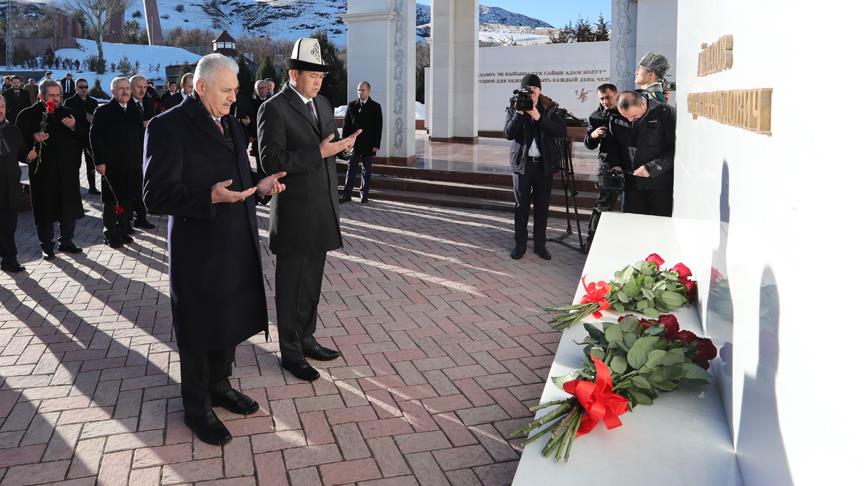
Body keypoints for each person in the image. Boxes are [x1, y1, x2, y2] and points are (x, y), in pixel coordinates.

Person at [143, 53, 287, 446]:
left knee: (228, 319)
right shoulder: (166, 126)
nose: (232, 97)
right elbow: (154, 196)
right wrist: (207, 196)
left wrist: (260, 185)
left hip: (235, 241)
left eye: (236, 90)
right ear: (200, 86)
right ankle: (196, 407)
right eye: (226, 90)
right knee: (198, 327)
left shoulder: (231, 125)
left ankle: (220, 386)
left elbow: (240, 175)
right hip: (198, 249)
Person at [258, 37, 359, 382]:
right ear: (293, 74)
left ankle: (306, 337)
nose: (319, 81)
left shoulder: (326, 104)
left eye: (321, 76)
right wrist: (321, 153)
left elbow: (327, 149)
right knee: (291, 285)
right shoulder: (273, 108)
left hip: (322, 208)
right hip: (294, 213)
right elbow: (271, 161)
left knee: (312, 282)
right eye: (312, 75)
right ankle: (290, 352)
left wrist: (343, 150)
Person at [16, 80, 86, 260]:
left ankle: (67, 241)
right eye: (51, 96)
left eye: (58, 96)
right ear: (41, 96)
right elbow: (18, 144)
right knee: (45, 208)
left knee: (67, 206)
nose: (55, 99)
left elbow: (85, 137)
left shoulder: (67, 113)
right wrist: (33, 138)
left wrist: (74, 126)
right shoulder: (27, 115)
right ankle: (46, 245)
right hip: (43, 172)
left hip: (67, 170)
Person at [503, 73, 567, 261]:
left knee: (542, 207)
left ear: (540, 91)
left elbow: (561, 131)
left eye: (535, 89)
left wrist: (538, 117)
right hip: (522, 165)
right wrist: (518, 114)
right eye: (528, 90)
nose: (531, 93)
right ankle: (520, 245)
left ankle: (540, 245)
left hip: (543, 165)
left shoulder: (550, 107)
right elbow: (508, 134)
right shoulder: (514, 105)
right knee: (521, 206)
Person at [90, 77, 146, 248]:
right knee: (111, 201)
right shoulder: (103, 111)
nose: (125, 91)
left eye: (128, 88)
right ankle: (110, 233)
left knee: (127, 199)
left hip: (132, 163)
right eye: (121, 88)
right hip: (111, 164)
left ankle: (122, 229)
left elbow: (139, 136)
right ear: (113, 91)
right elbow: (95, 137)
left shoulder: (134, 110)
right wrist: (99, 162)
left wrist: (142, 158)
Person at [614, 91, 676, 217]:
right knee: (632, 226)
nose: (630, 119)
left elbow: (675, 149)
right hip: (632, 185)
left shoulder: (665, 113)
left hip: (659, 185)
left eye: (633, 116)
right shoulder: (619, 114)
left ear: (643, 103)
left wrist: (652, 168)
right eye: (626, 117)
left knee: (657, 227)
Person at [584, 83, 623, 247]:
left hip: (630, 165)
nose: (605, 101)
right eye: (602, 98)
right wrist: (592, 136)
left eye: (608, 97)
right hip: (607, 168)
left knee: (631, 207)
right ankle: (591, 243)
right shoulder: (595, 116)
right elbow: (589, 144)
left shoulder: (627, 110)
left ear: (616, 95)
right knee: (602, 207)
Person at [1, 95, 37, 273]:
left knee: (9, 225)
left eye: (2, 106)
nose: (0, 110)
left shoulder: (12, 130)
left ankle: (9, 259)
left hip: (10, 188)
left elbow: (21, 153)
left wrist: (28, 156)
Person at [340, 81, 382, 204]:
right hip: (353, 145)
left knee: (366, 170)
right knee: (351, 168)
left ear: (369, 91)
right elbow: (346, 125)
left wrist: (376, 145)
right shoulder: (352, 105)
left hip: (368, 145)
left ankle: (364, 195)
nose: (360, 92)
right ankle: (347, 195)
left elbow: (378, 127)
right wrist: (345, 142)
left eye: (362, 90)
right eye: (359, 90)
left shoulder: (375, 106)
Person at [128, 74, 156, 229]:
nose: (142, 90)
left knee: (142, 183)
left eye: (145, 87)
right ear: (131, 87)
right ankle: (130, 216)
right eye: (139, 87)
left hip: (144, 149)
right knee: (132, 185)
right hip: (130, 151)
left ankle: (141, 216)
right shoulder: (125, 103)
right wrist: (141, 125)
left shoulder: (147, 101)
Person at [64, 77, 100, 195]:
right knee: (76, 163)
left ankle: (92, 187)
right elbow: (69, 120)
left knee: (91, 163)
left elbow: (98, 121)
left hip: (89, 137)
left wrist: (93, 121)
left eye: (86, 87)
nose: (84, 89)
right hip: (75, 137)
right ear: (76, 88)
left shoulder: (93, 102)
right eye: (81, 87)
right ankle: (75, 187)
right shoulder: (69, 102)